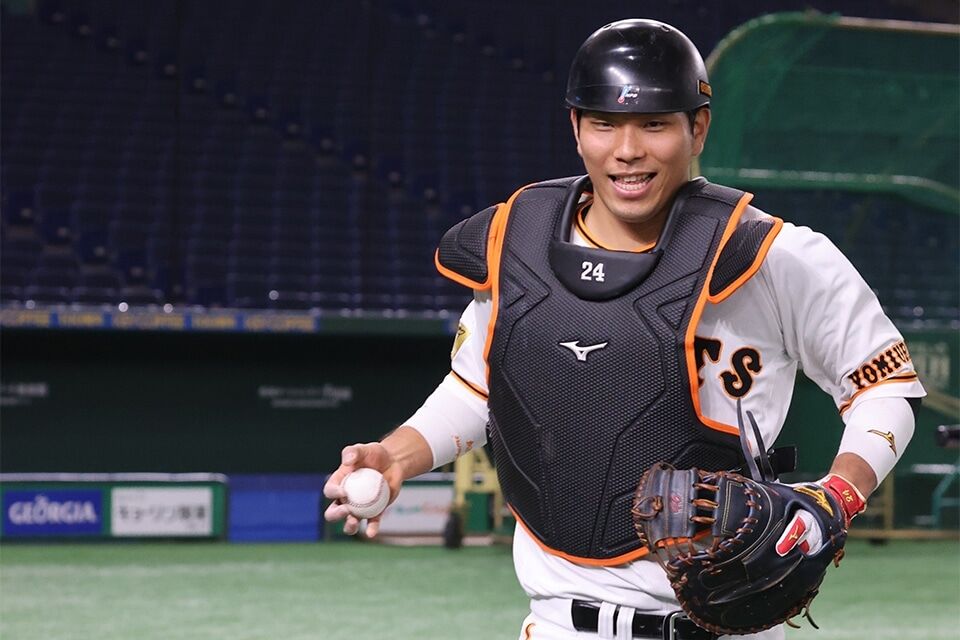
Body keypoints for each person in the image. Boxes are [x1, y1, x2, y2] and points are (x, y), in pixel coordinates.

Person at [324, 18, 925, 640]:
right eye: (605, 123)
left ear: (698, 128)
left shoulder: (769, 255)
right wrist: (395, 457)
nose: (627, 149)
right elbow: (477, 391)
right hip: (559, 626)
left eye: (654, 124)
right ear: (576, 128)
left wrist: (837, 497)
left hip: (720, 628)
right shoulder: (515, 244)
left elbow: (885, 387)